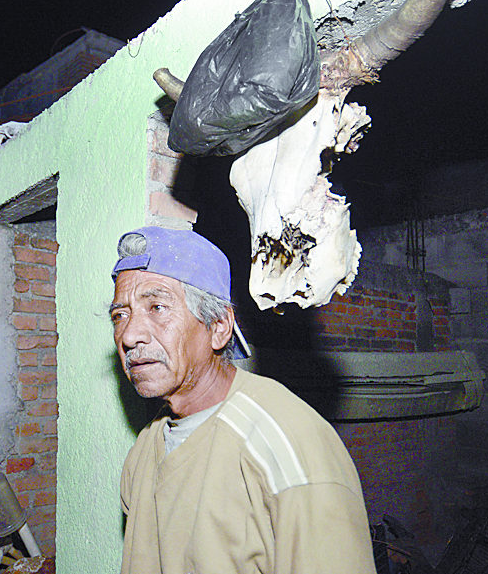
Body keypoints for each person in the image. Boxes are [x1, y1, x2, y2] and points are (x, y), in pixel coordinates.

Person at [109, 226, 375, 574]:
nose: (129, 335)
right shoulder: (146, 448)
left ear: (219, 327)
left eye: (157, 307)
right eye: (120, 315)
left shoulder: (289, 446)